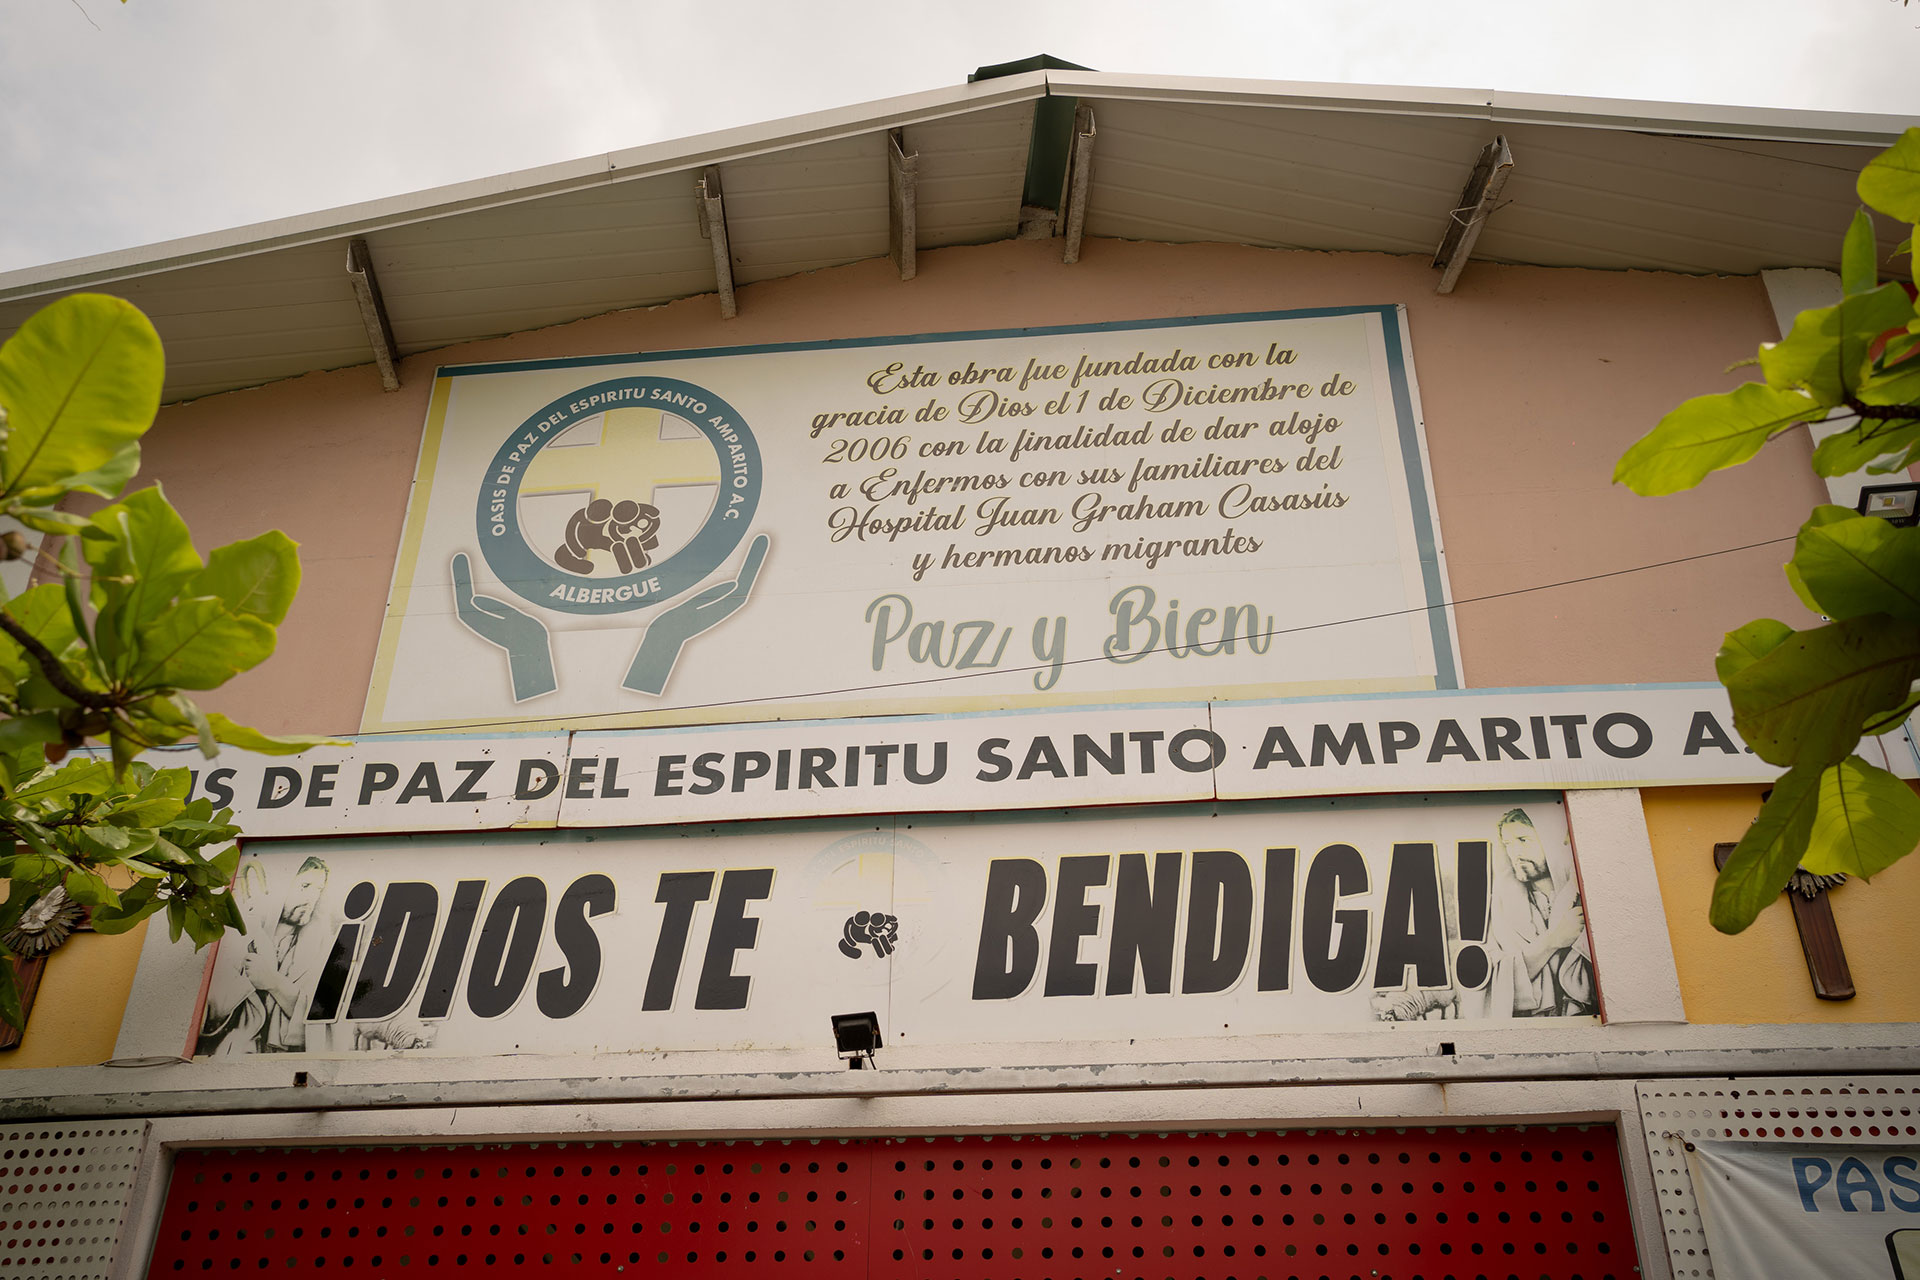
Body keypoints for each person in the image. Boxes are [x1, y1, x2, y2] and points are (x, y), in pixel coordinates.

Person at [199, 857, 331, 1054]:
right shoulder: (239, 935)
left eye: (318, 890)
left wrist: (273, 982)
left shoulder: (320, 949)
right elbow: (207, 1013)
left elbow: (321, 1025)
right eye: (305, 886)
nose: (312, 897)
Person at [1486, 808, 1595, 1018]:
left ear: (1551, 841)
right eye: (1508, 844)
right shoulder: (1500, 909)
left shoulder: (1585, 897)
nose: (1514, 852)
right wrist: (1553, 940)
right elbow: (1492, 985)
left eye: (1523, 840)